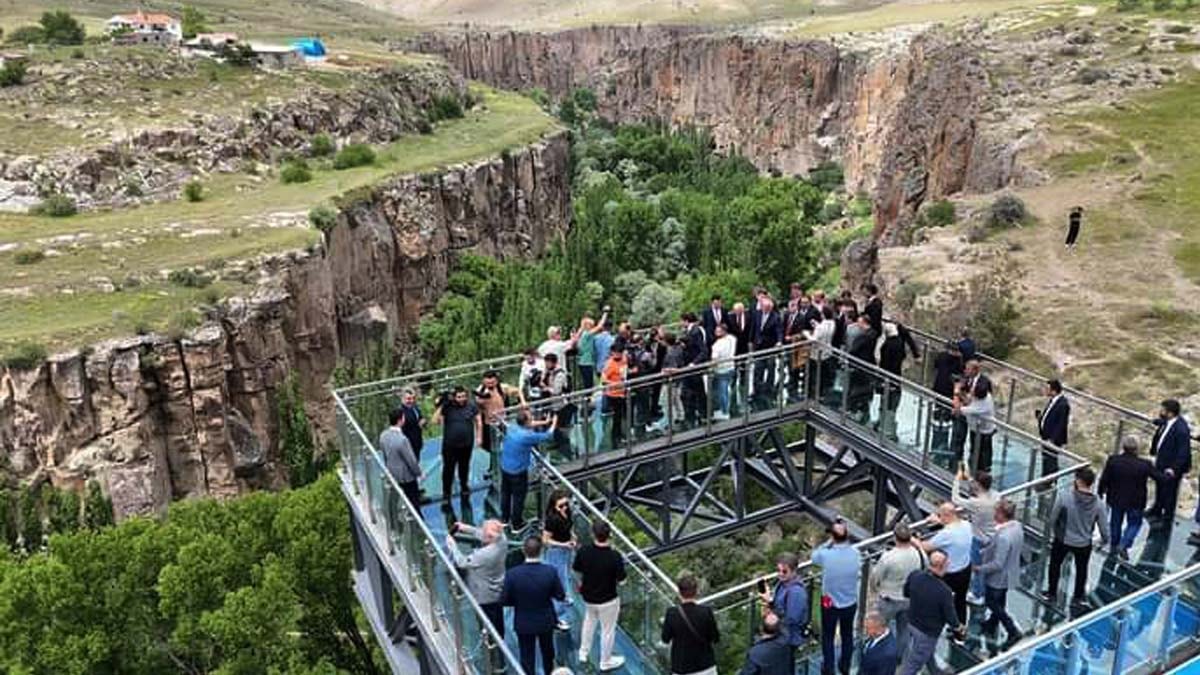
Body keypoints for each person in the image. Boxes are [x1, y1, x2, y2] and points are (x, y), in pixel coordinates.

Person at [1044, 466, 1108, 606]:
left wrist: (1054, 531)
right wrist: (1104, 541)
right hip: (1084, 542)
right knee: (1082, 569)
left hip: (1063, 539)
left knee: (1055, 565)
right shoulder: (1098, 504)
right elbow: (1104, 528)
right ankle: (1078, 597)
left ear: (1078, 481)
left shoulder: (1064, 497)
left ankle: (1052, 593)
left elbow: (1052, 518)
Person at [503, 536, 566, 675]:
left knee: (527, 657)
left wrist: (519, 602)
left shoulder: (512, 574)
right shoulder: (550, 571)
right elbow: (560, 595)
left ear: (523, 551)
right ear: (541, 551)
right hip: (546, 621)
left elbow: (504, 600)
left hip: (523, 622)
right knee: (548, 653)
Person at [900, 550, 966, 675]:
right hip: (927, 633)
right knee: (913, 665)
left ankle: (934, 671)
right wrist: (959, 627)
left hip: (911, 623)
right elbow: (950, 616)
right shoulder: (944, 591)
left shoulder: (915, 575)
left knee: (924, 653)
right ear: (943, 566)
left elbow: (906, 593)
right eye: (947, 562)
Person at [574, 521, 627, 671]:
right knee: (607, 630)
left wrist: (581, 584)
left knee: (589, 621)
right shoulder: (614, 556)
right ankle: (605, 661)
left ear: (593, 534)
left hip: (588, 596)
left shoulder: (584, 551)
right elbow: (622, 580)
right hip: (608, 599)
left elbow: (577, 570)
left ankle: (583, 652)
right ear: (609, 535)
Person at [870, 523, 925, 661]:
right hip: (909, 599)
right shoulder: (918, 553)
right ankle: (899, 657)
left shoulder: (888, 557)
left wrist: (876, 590)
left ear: (895, 538)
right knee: (904, 631)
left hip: (889, 599)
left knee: (879, 628)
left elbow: (876, 577)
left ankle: (878, 656)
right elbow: (926, 567)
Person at [812, 520, 860, 675]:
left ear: (832, 536)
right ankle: (845, 666)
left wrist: (828, 543)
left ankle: (829, 669)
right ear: (847, 536)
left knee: (828, 636)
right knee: (847, 635)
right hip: (850, 602)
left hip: (829, 603)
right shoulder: (856, 553)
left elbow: (814, 557)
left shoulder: (826, 555)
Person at [1099, 436, 1160, 558]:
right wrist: (1170, 475)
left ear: (1123, 447)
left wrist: (1100, 491)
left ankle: (1114, 545)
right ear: (1137, 449)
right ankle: (1124, 544)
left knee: (1115, 523)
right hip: (1136, 502)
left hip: (1116, 498)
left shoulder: (1113, 460)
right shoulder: (1144, 465)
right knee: (1135, 524)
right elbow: (1159, 478)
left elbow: (1105, 478)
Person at [976, 499, 1024, 649]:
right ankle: (993, 622)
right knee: (1000, 599)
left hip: (998, 577)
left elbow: (998, 563)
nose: (994, 514)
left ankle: (1012, 630)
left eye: (996, 512)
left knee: (992, 602)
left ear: (1002, 514)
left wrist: (979, 569)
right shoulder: (1017, 527)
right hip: (1010, 571)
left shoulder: (1003, 536)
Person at [446, 519, 507, 637]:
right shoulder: (502, 539)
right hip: (498, 589)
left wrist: (452, 546)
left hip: (484, 595)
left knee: (487, 623)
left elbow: (462, 562)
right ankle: (499, 638)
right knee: (498, 620)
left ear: (490, 537)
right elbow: (484, 535)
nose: (481, 533)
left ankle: (490, 642)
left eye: (484, 532)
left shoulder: (484, 554)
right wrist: (465, 528)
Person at [500, 410, 557, 529]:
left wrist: (544, 421)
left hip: (505, 467)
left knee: (506, 493)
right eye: (530, 418)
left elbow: (529, 424)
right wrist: (554, 423)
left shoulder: (512, 427)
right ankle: (517, 524)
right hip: (518, 472)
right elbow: (548, 435)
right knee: (518, 497)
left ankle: (504, 519)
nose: (532, 420)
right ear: (526, 422)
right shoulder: (527, 436)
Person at [919, 501, 974, 627]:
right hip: (965, 569)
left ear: (946, 516)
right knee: (960, 601)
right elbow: (952, 528)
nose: (939, 517)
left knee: (938, 600)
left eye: (940, 515)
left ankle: (934, 624)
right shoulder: (967, 525)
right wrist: (939, 521)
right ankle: (960, 630)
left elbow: (926, 547)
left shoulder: (946, 534)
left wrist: (913, 540)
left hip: (949, 574)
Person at [952, 467, 998, 605]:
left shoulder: (976, 503)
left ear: (978, 485)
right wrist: (969, 477)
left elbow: (956, 499)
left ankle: (978, 594)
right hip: (993, 537)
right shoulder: (995, 496)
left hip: (979, 538)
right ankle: (984, 590)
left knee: (978, 567)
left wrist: (957, 480)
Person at [662, 575, 721, 675]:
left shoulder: (672, 613)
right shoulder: (705, 612)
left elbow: (665, 639)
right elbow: (715, 638)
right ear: (696, 591)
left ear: (679, 592)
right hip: (705, 666)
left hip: (682, 667)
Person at [432, 387, 481, 503]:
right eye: (459, 397)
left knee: (464, 467)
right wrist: (441, 405)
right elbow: (434, 421)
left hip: (466, 444)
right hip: (450, 445)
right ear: (454, 397)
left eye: (463, 396)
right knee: (448, 470)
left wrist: (479, 436)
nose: (462, 399)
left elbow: (478, 421)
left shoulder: (471, 406)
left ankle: (464, 487)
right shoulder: (448, 407)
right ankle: (446, 493)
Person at [1147, 399, 1191, 522]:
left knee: (1170, 494)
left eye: (1163, 410)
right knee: (1159, 488)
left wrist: (1174, 469)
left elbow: (1183, 452)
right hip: (1162, 462)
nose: (1160, 412)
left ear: (1170, 413)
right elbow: (1162, 423)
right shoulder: (1168, 421)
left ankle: (1166, 518)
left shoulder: (1181, 429)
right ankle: (1156, 510)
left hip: (1171, 467)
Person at [476, 370, 526, 480]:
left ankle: (502, 467)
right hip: (488, 423)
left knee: (507, 445)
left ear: (496, 381)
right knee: (489, 447)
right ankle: (495, 466)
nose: (490, 386)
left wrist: (522, 402)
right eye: (487, 383)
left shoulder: (503, 388)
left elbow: (518, 391)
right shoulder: (480, 391)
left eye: (492, 383)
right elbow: (478, 412)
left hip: (502, 421)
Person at [758, 552, 810, 657]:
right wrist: (770, 602)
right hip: (781, 635)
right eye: (778, 570)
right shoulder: (782, 584)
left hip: (789, 639)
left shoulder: (796, 592)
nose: (780, 574)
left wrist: (771, 615)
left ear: (794, 571)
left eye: (784, 571)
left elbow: (791, 619)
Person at [543, 490, 577, 631]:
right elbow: (545, 540)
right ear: (554, 506)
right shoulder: (552, 519)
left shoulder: (567, 512)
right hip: (556, 551)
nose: (564, 507)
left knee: (566, 575)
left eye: (565, 504)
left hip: (566, 549)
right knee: (559, 581)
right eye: (561, 505)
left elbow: (569, 527)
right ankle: (557, 616)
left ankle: (563, 599)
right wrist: (564, 544)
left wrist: (573, 536)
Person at [380, 407, 423, 516]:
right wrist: (419, 473)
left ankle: (391, 519)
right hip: (406, 477)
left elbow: (385, 455)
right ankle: (418, 524)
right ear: (401, 420)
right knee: (414, 502)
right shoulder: (402, 440)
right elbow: (411, 460)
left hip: (392, 474)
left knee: (393, 501)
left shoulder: (383, 435)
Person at [679, 312, 710, 425]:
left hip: (693, 367)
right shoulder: (689, 331)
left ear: (686, 320)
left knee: (698, 391)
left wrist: (694, 363)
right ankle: (694, 415)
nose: (681, 323)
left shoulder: (696, 331)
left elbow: (703, 350)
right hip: (689, 366)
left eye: (682, 321)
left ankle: (702, 414)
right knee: (693, 392)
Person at [751, 296, 783, 406]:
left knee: (770, 368)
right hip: (758, 346)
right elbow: (754, 328)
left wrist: (779, 341)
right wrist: (751, 342)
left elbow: (779, 331)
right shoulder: (757, 314)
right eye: (764, 307)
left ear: (771, 308)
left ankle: (769, 390)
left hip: (770, 346)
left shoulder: (776, 317)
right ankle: (757, 390)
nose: (765, 309)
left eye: (767, 307)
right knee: (758, 368)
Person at [601, 345, 633, 447]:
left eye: (619, 352)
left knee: (624, 415)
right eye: (616, 352)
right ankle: (615, 438)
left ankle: (622, 435)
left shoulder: (624, 360)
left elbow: (625, 372)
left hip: (623, 392)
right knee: (617, 417)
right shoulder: (610, 364)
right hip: (613, 394)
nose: (618, 354)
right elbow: (603, 379)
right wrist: (613, 384)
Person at [1037, 379, 1071, 476]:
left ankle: (1050, 481)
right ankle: (1045, 478)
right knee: (1046, 459)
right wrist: (1041, 419)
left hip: (1052, 440)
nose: (1045, 390)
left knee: (1051, 461)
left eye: (1047, 388)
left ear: (1054, 390)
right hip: (1045, 437)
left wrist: (1052, 440)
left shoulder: (1063, 404)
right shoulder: (1052, 400)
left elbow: (1061, 424)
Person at [575, 310, 609, 391]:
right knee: (588, 384)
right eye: (591, 325)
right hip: (586, 362)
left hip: (583, 362)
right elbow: (600, 326)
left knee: (588, 383)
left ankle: (587, 399)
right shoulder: (586, 335)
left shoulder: (582, 335)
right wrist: (605, 313)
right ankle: (587, 400)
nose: (592, 327)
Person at [858, 611, 899, 675]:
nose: (865, 631)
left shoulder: (888, 654)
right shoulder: (874, 636)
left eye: (867, 628)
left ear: (880, 629)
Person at [711, 323, 737, 420]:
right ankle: (724, 408)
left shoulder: (717, 345)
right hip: (730, 366)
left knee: (722, 391)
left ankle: (725, 411)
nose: (716, 332)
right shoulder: (732, 339)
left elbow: (715, 360)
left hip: (721, 370)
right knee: (725, 389)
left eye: (718, 331)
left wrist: (710, 368)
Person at [394, 388, 425, 463]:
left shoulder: (415, 408)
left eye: (412, 398)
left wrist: (423, 421)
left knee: (416, 463)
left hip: (417, 442)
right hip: (407, 444)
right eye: (408, 399)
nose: (411, 401)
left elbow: (420, 418)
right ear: (402, 399)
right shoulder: (400, 411)